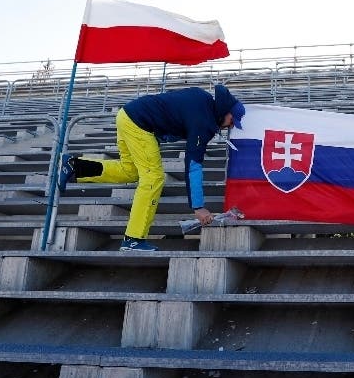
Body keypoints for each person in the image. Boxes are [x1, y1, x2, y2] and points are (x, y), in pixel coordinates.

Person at [58, 84, 245, 252]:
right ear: (225, 112)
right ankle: (133, 239)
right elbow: (193, 165)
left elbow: (173, 113)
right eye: (231, 121)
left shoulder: (202, 98)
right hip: (140, 124)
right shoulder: (203, 122)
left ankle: (76, 167)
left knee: (129, 170)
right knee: (153, 178)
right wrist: (198, 207)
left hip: (127, 115)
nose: (230, 126)